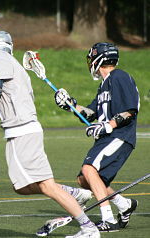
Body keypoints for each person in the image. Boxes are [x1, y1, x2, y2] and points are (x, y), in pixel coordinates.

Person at [0, 31, 100, 238]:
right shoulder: (10, 63)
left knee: (46, 185)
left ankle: (88, 229)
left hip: (21, 130)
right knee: (22, 187)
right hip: (21, 130)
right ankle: (73, 193)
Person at [54, 42, 140, 232]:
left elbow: (130, 111)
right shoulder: (104, 85)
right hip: (107, 138)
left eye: (92, 58)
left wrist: (108, 125)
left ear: (99, 59)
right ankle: (124, 204)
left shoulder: (119, 77)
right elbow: (90, 113)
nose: (90, 62)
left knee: (89, 169)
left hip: (120, 135)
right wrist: (70, 104)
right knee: (84, 180)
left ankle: (108, 220)